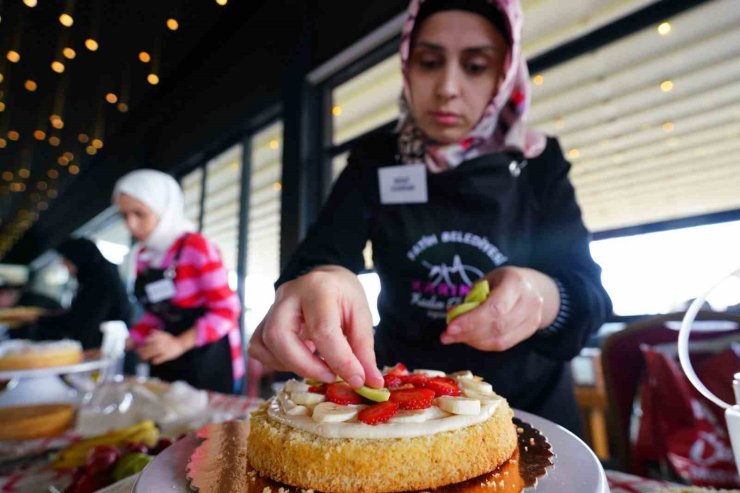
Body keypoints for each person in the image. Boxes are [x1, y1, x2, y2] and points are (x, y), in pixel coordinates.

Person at [248, 0, 612, 433]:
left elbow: (588, 298)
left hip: (529, 413)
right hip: (402, 410)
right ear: (407, 67)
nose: (447, 87)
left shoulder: (538, 161)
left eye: (475, 66)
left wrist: (543, 298)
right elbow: (322, 252)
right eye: (429, 62)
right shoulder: (377, 159)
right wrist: (320, 278)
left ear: (504, 74)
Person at [113, 169, 244, 394]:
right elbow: (155, 313)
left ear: (164, 209)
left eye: (139, 213)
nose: (130, 225)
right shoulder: (144, 256)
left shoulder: (196, 247)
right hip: (168, 359)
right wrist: (125, 342)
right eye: (124, 216)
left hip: (207, 358)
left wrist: (179, 343)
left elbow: (226, 311)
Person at [28, 238, 132, 349]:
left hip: (105, 352)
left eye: (66, 259)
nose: (63, 264)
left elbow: (84, 321)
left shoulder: (100, 281)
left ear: (78, 258)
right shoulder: (98, 276)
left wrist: (39, 318)